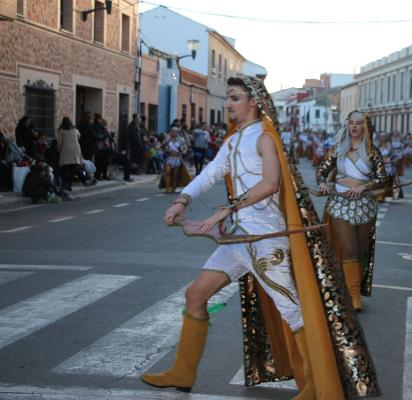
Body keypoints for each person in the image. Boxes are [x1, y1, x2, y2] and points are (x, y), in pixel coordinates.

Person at [141, 76, 380, 398]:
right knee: (196, 296)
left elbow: (270, 184)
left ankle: (315, 385)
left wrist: (224, 210)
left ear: (254, 102)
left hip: (266, 239)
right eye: (227, 98)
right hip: (239, 241)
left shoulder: (265, 139)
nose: (228, 104)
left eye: (234, 98)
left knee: (293, 310)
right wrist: (182, 199)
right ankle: (182, 371)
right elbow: (210, 173)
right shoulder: (233, 140)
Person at [316, 110, 387, 311]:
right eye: (351, 123)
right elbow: (322, 171)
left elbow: (382, 178)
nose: (354, 127)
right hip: (340, 204)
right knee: (348, 248)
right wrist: (322, 183)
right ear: (347, 125)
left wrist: (364, 187)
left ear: (365, 126)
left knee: (360, 250)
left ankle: (352, 291)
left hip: (365, 206)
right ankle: (353, 296)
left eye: (359, 123)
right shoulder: (337, 149)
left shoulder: (373, 151)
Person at [56, 117, 92, 190]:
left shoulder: (61, 130)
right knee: (73, 168)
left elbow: (59, 142)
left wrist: (58, 150)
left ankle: (65, 184)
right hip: (76, 149)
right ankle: (69, 185)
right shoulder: (75, 129)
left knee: (65, 169)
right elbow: (79, 136)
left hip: (66, 150)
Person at [162, 127, 191, 193]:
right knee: (167, 172)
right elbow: (163, 145)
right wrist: (165, 148)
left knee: (175, 174)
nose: (173, 132)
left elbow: (185, 148)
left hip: (177, 158)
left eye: (175, 131)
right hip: (169, 157)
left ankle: (173, 188)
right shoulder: (168, 139)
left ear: (177, 132)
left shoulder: (181, 139)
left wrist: (183, 151)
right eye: (172, 131)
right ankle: (167, 188)